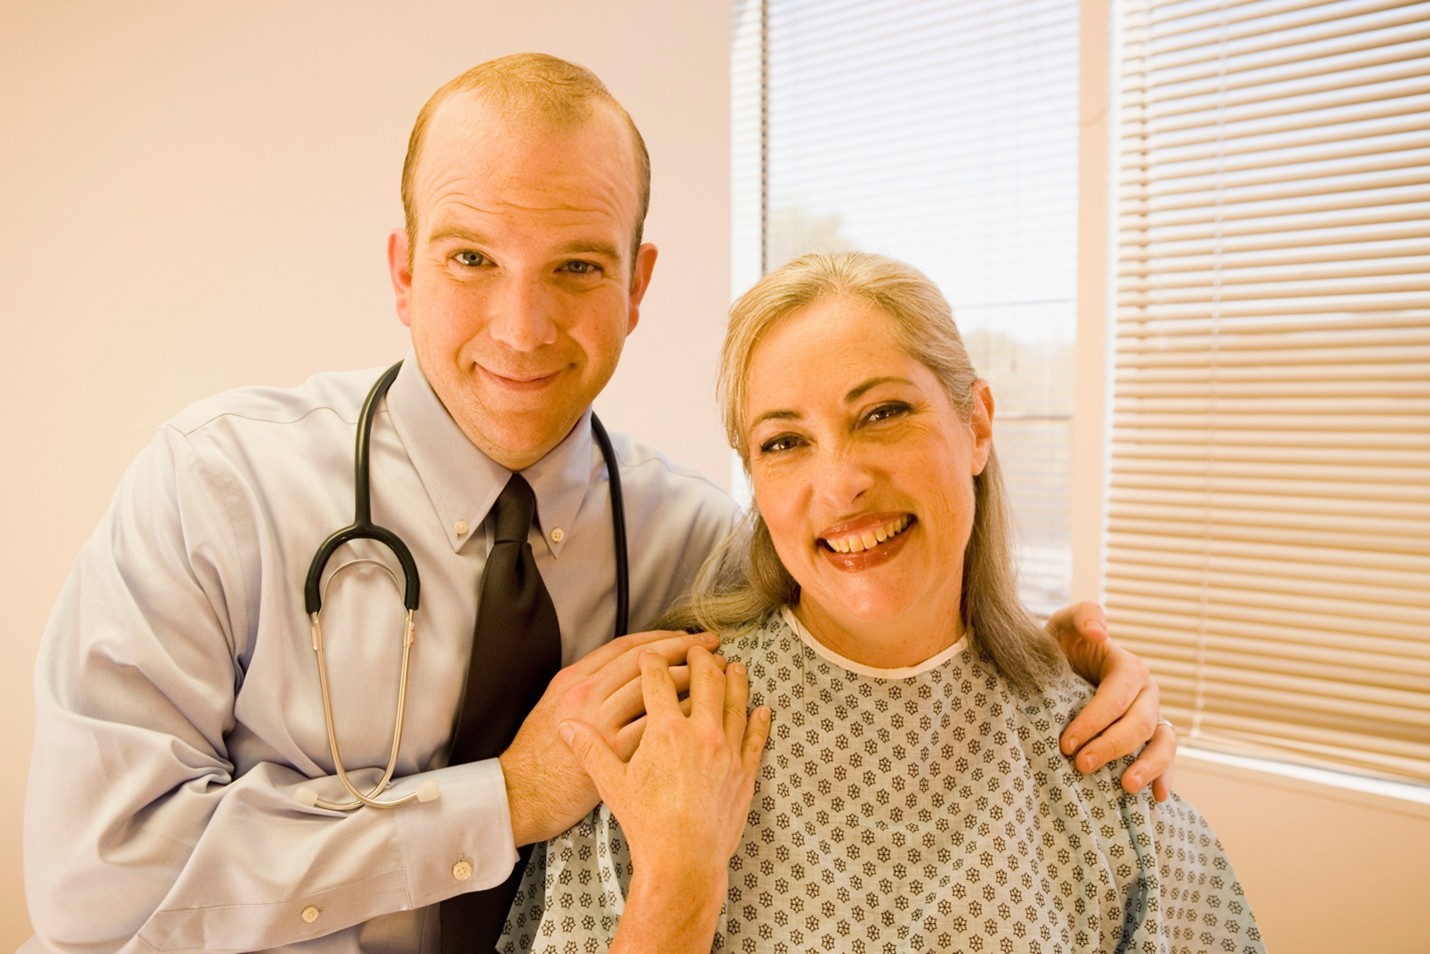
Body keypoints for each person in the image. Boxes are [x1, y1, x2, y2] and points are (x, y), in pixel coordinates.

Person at [23, 56, 1171, 954]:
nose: (521, 328)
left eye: (575, 266)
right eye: (471, 259)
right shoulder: (214, 490)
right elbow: (91, 879)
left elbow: (866, 579)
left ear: (636, 285)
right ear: (401, 271)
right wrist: (504, 801)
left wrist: (1059, 660)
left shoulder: (692, 547)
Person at [503, 252, 1264, 953]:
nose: (839, 484)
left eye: (882, 414)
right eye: (785, 442)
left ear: (977, 424)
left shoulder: (1098, 752)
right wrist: (678, 885)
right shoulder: (665, 737)